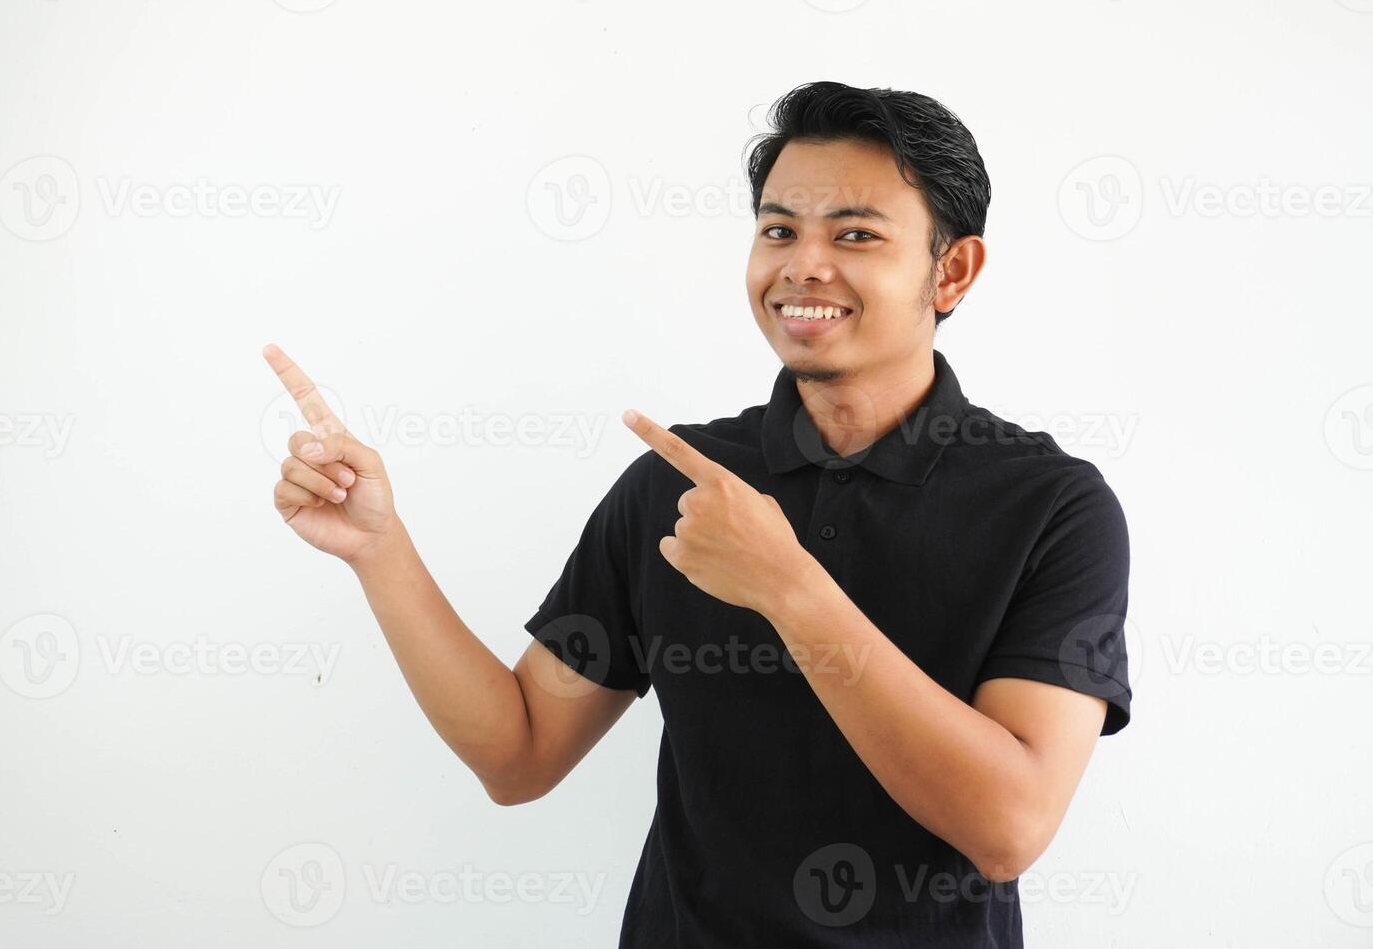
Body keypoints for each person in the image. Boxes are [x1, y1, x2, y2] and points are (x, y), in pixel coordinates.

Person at [264, 79, 1132, 947]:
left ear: (952, 270)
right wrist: (380, 548)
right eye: (779, 229)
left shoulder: (1053, 506)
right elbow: (519, 752)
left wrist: (789, 587)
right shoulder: (681, 486)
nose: (802, 266)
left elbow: (1010, 829)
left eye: (856, 234)